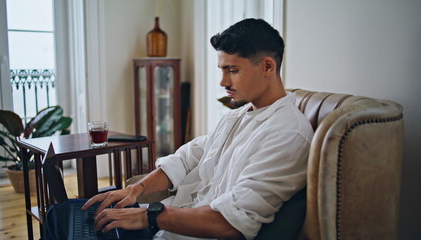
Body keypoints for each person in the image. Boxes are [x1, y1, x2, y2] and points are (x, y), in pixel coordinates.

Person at [83, 18, 313, 240]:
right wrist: (137, 189)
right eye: (221, 70)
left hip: (185, 234)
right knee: (70, 217)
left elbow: (231, 221)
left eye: (232, 70)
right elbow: (188, 157)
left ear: (267, 66)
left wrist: (150, 216)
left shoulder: (287, 133)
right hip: (167, 226)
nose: (223, 82)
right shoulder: (237, 116)